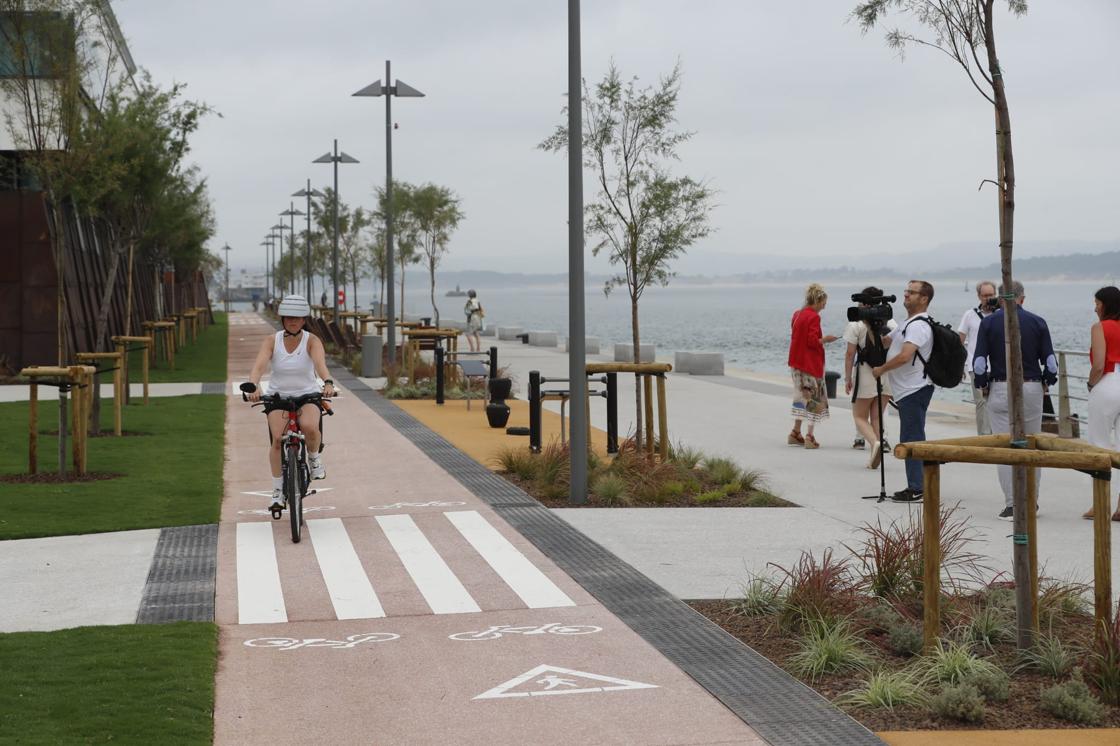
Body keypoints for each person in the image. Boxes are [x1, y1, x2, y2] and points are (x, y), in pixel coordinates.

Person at [972, 281, 1057, 521]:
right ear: (1022, 298)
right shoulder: (1038, 322)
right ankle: (1032, 501)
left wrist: (982, 384)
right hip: (1031, 387)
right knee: (1031, 443)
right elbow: (1050, 362)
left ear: (1000, 299)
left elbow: (979, 362)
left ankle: (1011, 504)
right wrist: (1046, 381)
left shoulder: (987, 323)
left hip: (1000, 386)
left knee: (1005, 445)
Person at [247, 294, 336, 510]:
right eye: (288, 318)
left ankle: (314, 458)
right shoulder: (272, 340)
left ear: (304, 319)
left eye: (297, 318)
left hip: (307, 395)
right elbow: (259, 366)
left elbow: (320, 364)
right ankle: (278, 490)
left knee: (309, 427)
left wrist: (328, 382)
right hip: (278, 397)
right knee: (278, 439)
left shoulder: (312, 341)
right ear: (283, 319)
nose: (292, 321)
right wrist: (254, 384)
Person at [872, 280, 936, 502]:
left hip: (915, 388)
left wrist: (881, 369)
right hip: (907, 390)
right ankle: (916, 484)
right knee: (910, 435)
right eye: (906, 291)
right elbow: (887, 342)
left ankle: (917, 488)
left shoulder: (919, 326)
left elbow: (905, 356)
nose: (906, 295)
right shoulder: (907, 322)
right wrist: (873, 324)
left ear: (924, 298)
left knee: (912, 437)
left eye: (912, 292)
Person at [843, 286, 896, 469]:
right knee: (876, 417)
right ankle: (876, 450)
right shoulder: (892, 323)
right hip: (886, 374)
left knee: (859, 416)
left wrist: (847, 378)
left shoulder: (856, 324)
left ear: (864, 302)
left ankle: (875, 443)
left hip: (865, 374)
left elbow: (850, 354)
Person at [787, 283, 838, 449]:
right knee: (814, 399)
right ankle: (810, 435)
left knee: (801, 397)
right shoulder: (814, 317)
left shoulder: (797, 314)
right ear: (818, 300)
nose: (824, 306)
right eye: (823, 302)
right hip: (810, 363)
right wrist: (826, 339)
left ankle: (795, 432)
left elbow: (797, 337)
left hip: (796, 363)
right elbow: (812, 341)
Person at [1085, 286, 1120, 520]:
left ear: (1105, 304)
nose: (1095, 307)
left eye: (1097, 302)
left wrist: (1090, 384)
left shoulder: (1100, 327)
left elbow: (1098, 364)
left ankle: (1100, 504)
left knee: (1099, 446)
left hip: (1108, 383)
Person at [958, 280, 998, 435]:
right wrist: (960, 366)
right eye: (985, 295)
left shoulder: (1001, 314)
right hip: (976, 367)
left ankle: (998, 433)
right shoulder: (970, 315)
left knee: (998, 403)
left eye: (991, 295)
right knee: (981, 403)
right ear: (978, 296)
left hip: (998, 366)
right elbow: (960, 340)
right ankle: (984, 436)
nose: (988, 299)